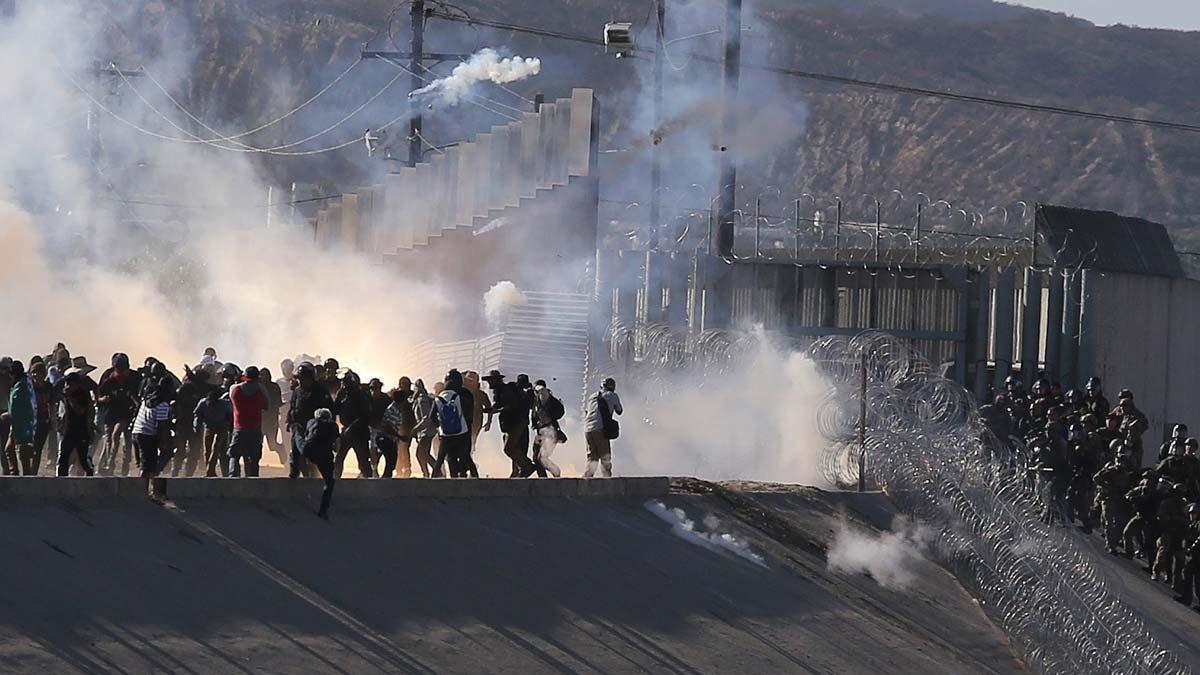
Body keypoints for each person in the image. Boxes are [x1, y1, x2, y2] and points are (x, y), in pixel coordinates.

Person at [95, 353, 142, 476]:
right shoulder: (108, 377)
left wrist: (136, 403)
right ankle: (106, 463)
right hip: (110, 411)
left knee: (118, 436)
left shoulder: (135, 377)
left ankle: (118, 463)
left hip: (126, 412)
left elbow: (139, 394)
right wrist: (103, 399)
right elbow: (98, 396)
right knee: (109, 438)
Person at [483, 370, 535, 478]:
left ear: (495, 380)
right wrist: (491, 410)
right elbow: (498, 405)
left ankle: (527, 466)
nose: (489, 383)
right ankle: (517, 471)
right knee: (515, 448)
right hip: (512, 423)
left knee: (509, 448)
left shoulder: (505, 390)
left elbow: (511, 406)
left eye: (490, 380)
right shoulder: (500, 391)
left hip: (516, 422)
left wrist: (495, 410)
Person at [423, 370, 474, 478]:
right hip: (464, 432)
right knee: (466, 458)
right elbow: (470, 415)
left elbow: (432, 417)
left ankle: (447, 482)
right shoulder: (465, 394)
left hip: (446, 434)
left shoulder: (440, 397)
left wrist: (442, 426)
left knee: (448, 458)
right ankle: (475, 482)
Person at [288, 362, 333, 479]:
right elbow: (292, 407)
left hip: (315, 430)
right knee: (296, 449)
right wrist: (291, 422)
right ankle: (295, 471)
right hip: (300, 427)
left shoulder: (321, 391)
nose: (301, 381)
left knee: (313, 455)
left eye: (304, 378)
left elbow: (328, 411)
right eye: (300, 378)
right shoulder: (297, 391)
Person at [131, 377, 173, 498]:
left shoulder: (147, 399)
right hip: (147, 436)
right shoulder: (163, 404)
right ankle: (142, 494)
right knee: (147, 467)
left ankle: (148, 492)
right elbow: (161, 426)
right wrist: (164, 443)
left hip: (137, 432)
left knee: (146, 465)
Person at [228, 365, 269, 477]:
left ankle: (233, 478)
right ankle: (253, 481)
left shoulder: (234, 388)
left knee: (234, 456)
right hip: (255, 428)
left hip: (239, 428)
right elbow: (266, 406)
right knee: (254, 458)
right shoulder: (261, 389)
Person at [333, 370, 375, 479]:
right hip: (345, 432)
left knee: (363, 461)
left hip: (359, 433)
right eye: (343, 381)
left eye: (346, 381)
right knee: (338, 459)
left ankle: (369, 483)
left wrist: (352, 428)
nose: (343, 384)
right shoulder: (341, 394)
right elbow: (335, 409)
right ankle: (334, 481)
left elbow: (365, 415)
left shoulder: (361, 395)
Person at [171, 366, 212, 477]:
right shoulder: (189, 388)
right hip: (187, 423)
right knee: (186, 450)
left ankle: (181, 473)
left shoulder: (194, 388)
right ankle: (181, 473)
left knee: (187, 450)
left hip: (188, 423)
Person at [1094, 451, 1135, 554]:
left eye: (1124, 462)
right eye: (1120, 461)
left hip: (1119, 501)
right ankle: (1110, 545)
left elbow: (1127, 487)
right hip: (1108, 499)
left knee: (1117, 523)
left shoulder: (1126, 474)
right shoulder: (1110, 471)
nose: (1121, 464)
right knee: (1109, 522)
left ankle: (1113, 542)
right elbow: (1096, 478)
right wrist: (1104, 487)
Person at [56, 370, 96, 476]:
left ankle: (91, 478)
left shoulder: (82, 394)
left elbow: (80, 411)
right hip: (69, 430)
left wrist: (69, 398)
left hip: (81, 431)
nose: (68, 386)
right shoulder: (65, 394)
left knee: (83, 459)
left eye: (70, 384)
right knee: (63, 458)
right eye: (67, 383)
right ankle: (61, 482)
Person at [303, 408, 340, 519]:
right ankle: (323, 510)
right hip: (324, 456)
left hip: (309, 452)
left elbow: (307, 437)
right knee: (329, 482)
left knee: (298, 441)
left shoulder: (310, 422)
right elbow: (337, 447)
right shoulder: (333, 426)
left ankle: (295, 469)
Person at [584, 377, 622, 478]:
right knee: (605, 458)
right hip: (600, 429)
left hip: (588, 430)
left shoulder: (592, 396)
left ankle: (585, 482)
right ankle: (607, 482)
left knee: (592, 458)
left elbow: (587, 411)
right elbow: (619, 410)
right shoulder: (612, 395)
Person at [378, 378, 416, 478]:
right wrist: (399, 436)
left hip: (403, 430)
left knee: (398, 454)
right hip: (387, 437)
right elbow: (387, 427)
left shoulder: (402, 404)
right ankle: (388, 478)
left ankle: (401, 471)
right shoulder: (393, 409)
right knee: (392, 459)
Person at [4, 360, 37, 475]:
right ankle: (15, 473)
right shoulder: (24, 383)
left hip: (22, 425)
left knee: (22, 451)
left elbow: (16, 408)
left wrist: (6, 415)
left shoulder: (21, 387)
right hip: (19, 424)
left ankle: (25, 478)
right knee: (10, 449)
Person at [530, 379, 565, 478]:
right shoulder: (537, 400)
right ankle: (543, 479)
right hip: (541, 433)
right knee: (536, 458)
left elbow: (542, 389)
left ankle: (556, 472)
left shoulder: (545, 396)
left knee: (542, 458)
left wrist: (535, 387)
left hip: (549, 432)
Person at [194, 388, 232, 477]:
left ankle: (211, 469)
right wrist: (196, 425)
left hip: (222, 427)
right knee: (207, 450)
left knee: (216, 448)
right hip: (209, 427)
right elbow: (197, 415)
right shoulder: (202, 403)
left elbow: (231, 416)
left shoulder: (225, 404)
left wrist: (229, 427)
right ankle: (210, 471)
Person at [28, 361, 52, 475]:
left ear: (43, 375)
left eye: (37, 373)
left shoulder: (48, 387)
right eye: (33, 373)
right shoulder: (29, 387)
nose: (35, 376)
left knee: (38, 449)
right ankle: (27, 472)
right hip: (30, 421)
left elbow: (51, 404)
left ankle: (33, 473)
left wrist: (52, 421)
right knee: (28, 448)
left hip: (43, 421)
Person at [410, 379, 437, 478]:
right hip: (425, 431)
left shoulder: (422, 400)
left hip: (426, 431)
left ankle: (429, 472)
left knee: (421, 454)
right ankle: (433, 471)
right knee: (424, 454)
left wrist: (416, 429)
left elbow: (426, 418)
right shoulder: (419, 399)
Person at [260, 367, 285, 465]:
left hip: (271, 421)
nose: (264, 378)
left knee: (272, 445)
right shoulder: (258, 387)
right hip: (260, 421)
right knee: (258, 445)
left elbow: (278, 403)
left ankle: (282, 452)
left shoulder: (274, 387)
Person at [276, 359, 295, 462]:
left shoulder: (297, 381)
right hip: (283, 414)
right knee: (286, 438)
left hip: (295, 413)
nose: (287, 371)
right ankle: (288, 460)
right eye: (284, 368)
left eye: (289, 368)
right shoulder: (278, 382)